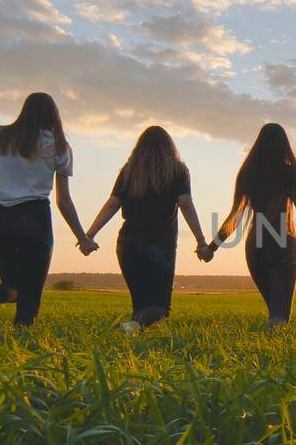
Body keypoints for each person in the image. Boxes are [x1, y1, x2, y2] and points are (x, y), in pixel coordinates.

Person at [0, 93, 95, 330]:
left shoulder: (2, 135)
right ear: (54, 116)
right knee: (30, 290)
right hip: (35, 217)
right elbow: (64, 201)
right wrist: (82, 237)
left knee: (13, 284)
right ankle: (21, 342)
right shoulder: (61, 146)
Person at [82, 126, 211, 333]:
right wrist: (201, 240)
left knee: (141, 304)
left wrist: (89, 235)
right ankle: (130, 328)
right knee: (160, 308)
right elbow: (185, 204)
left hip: (128, 244)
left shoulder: (129, 170)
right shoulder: (178, 170)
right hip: (161, 245)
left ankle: (131, 335)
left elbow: (113, 204)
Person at [208, 123, 296, 327]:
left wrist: (212, 247)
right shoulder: (290, 173)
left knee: (275, 312)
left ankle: (263, 349)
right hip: (282, 244)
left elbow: (235, 216)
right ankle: (268, 353)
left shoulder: (247, 173)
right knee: (279, 316)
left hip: (255, 247)